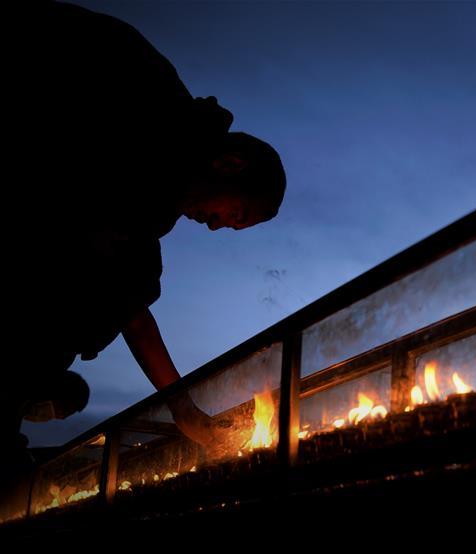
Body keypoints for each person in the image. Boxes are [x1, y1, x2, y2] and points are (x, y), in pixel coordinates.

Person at [3, 1, 287, 470]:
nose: (215, 226)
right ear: (229, 164)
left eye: (230, 226)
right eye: (232, 213)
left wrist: (182, 409)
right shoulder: (149, 120)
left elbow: (131, 303)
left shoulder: (152, 176)